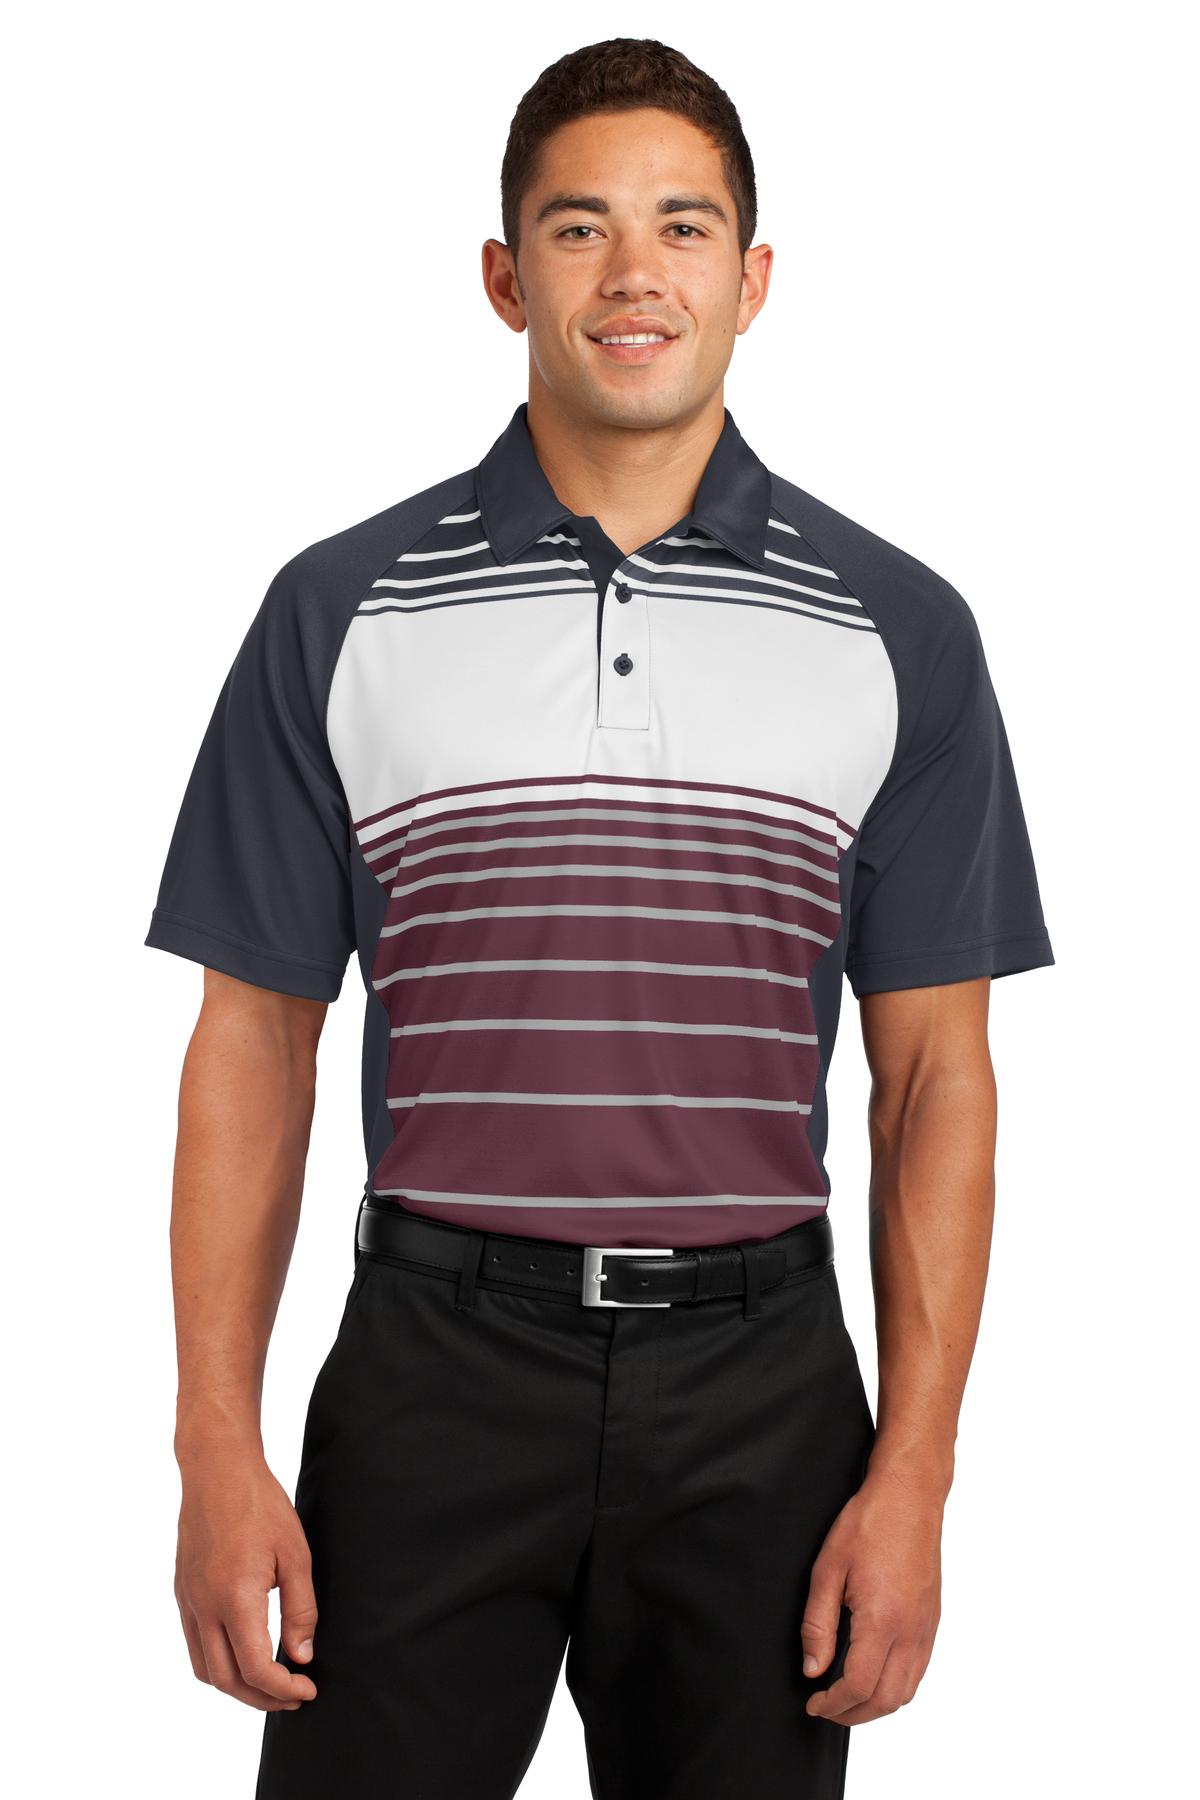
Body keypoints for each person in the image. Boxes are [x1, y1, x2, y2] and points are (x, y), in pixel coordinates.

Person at [146, 37, 1053, 1800]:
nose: (636, 274)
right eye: (580, 229)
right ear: (506, 277)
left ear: (752, 279)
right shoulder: (339, 610)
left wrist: (916, 1477)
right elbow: (250, 1043)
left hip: (765, 1394)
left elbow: (937, 1084)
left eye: (683, 227)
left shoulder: (901, 629)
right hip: (430, 1374)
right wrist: (214, 1449)